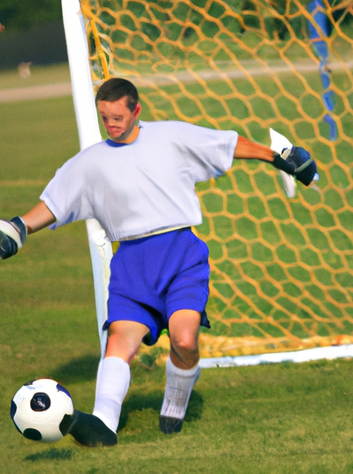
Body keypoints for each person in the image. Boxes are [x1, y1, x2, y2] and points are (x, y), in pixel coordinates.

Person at [0, 77, 317, 447]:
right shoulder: (90, 162)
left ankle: (176, 401)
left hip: (181, 257)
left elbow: (226, 145)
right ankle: (104, 423)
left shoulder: (171, 137)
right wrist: (18, 229)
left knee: (185, 341)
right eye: (105, 118)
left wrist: (278, 156)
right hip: (131, 267)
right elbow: (54, 204)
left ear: (136, 110)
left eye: (119, 116)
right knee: (120, 341)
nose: (112, 124)